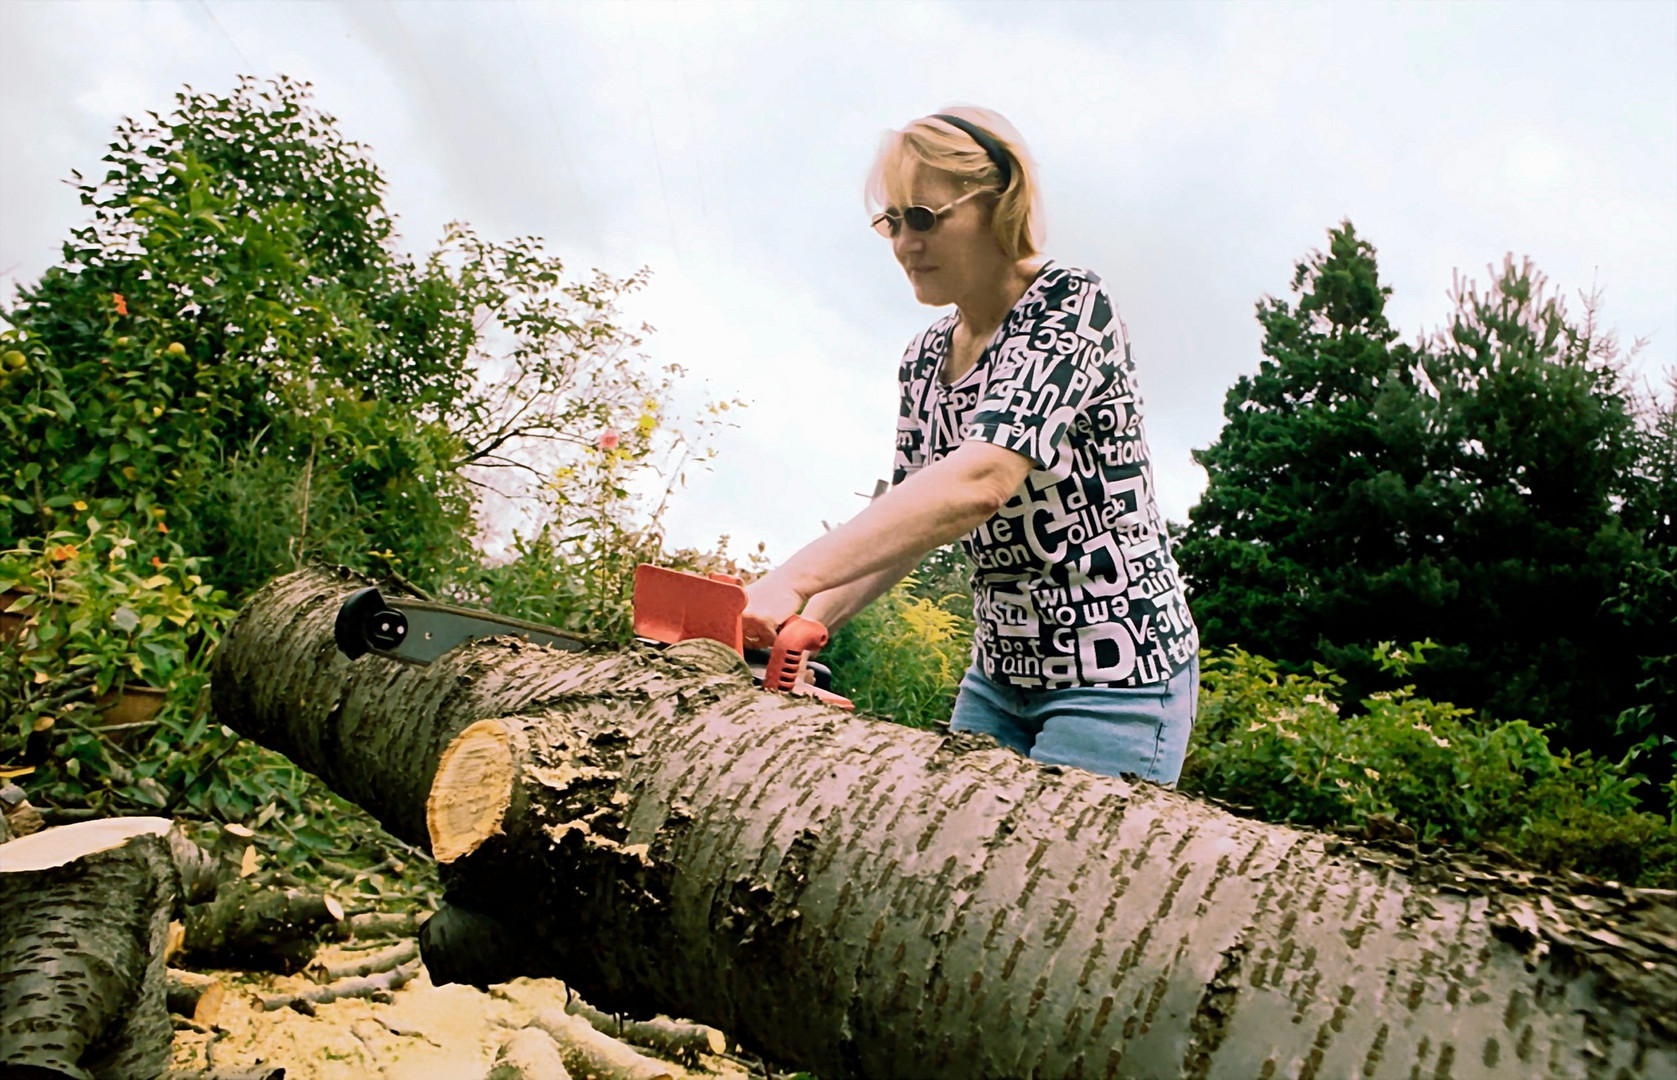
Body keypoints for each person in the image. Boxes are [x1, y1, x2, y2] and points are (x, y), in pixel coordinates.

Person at [742, 107, 1199, 784]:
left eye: (923, 218)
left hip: (1117, 679)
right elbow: (907, 520)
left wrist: (790, 578)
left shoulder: (1070, 305)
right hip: (996, 677)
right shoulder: (924, 358)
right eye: (891, 222)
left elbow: (977, 480)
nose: (904, 243)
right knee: (950, 875)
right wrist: (808, 620)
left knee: (1047, 885)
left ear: (997, 204)